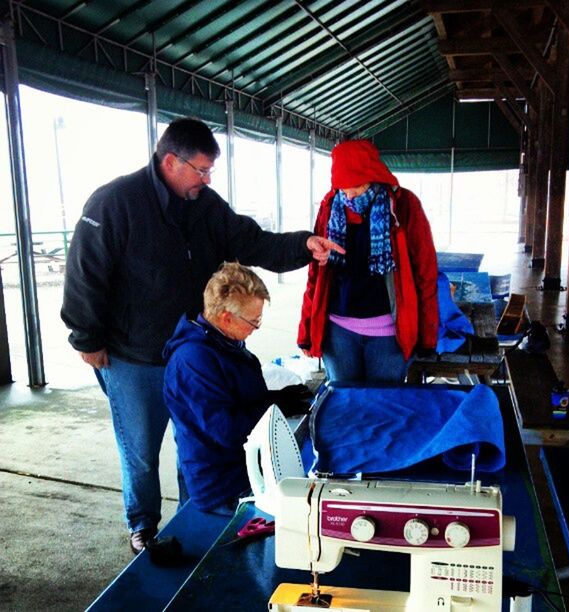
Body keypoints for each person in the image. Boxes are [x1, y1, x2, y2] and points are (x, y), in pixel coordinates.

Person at [60, 117, 340, 553]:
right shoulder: (115, 202)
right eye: (201, 170)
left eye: (211, 171)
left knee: (195, 442)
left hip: (195, 349)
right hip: (134, 355)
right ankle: (143, 526)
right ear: (171, 161)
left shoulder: (205, 205)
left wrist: (303, 245)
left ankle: (191, 519)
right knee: (140, 448)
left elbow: (254, 242)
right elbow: (84, 273)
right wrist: (86, 337)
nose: (207, 180)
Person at [163, 262, 311, 514]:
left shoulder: (223, 340)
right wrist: (274, 408)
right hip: (224, 486)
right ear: (226, 317)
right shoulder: (193, 361)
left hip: (244, 469)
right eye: (254, 320)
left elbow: (236, 400)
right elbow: (226, 430)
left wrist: (277, 400)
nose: (257, 327)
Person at [298, 139, 439, 383]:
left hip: (388, 334)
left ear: (373, 175)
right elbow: (315, 273)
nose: (350, 194)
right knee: (345, 405)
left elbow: (425, 273)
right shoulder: (330, 206)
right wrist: (307, 329)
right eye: (343, 187)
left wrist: (427, 335)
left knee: (382, 407)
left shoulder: (404, 206)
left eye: (357, 186)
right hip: (338, 332)